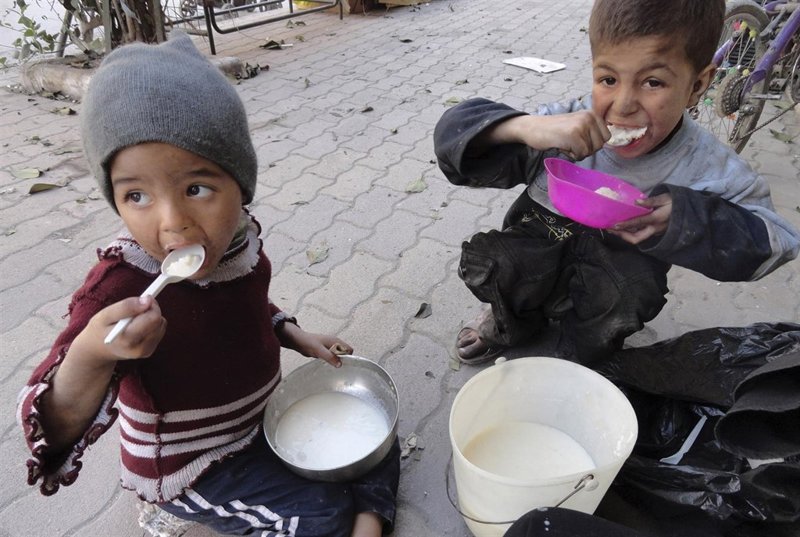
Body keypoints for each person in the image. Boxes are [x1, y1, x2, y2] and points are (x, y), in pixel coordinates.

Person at [16, 33, 400, 537]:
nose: (173, 222)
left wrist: (293, 334)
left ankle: (364, 520)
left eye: (196, 189)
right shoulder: (121, 285)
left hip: (258, 422)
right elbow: (52, 421)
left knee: (375, 429)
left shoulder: (238, 242)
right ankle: (346, 519)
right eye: (137, 196)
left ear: (240, 186)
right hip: (193, 465)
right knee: (321, 511)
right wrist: (93, 353)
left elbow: (248, 305)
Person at [433, 0, 800, 366]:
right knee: (501, 262)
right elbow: (453, 142)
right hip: (537, 253)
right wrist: (522, 126)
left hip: (612, 282)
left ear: (697, 85)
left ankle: (581, 357)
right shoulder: (562, 128)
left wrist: (688, 218)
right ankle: (508, 323)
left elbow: (780, 242)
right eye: (608, 79)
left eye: (653, 82)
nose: (623, 105)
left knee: (624, 300)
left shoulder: (709, 166)